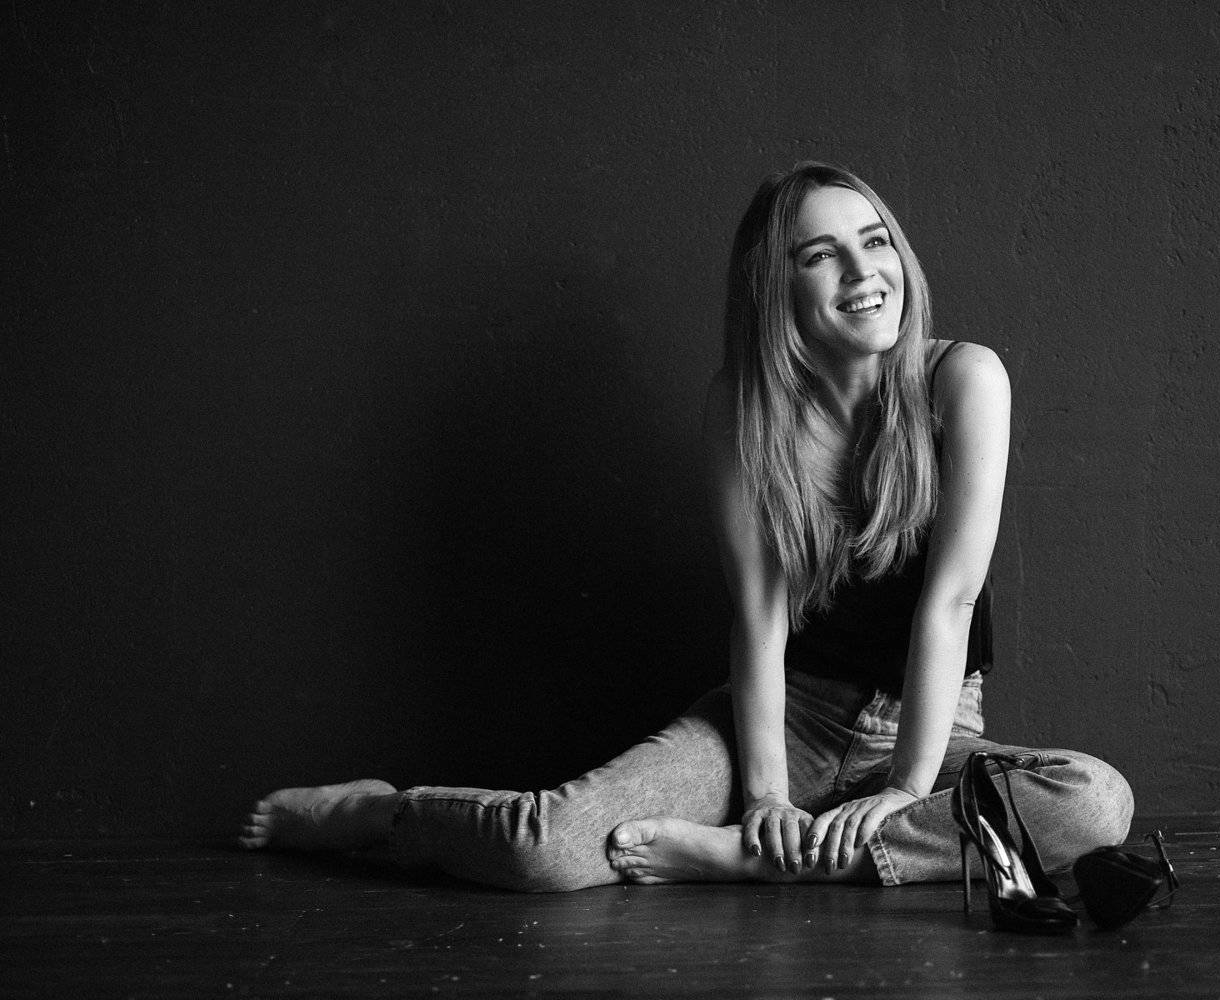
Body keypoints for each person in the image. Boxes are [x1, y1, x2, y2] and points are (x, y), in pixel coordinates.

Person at [239, 161, 1133, 893]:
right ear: (776, 288)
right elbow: (759, 620)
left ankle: (759, 868)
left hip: (930, 730)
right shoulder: (745, 411)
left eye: (875, 241)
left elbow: (950, 603)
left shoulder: (964, 380)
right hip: (784, 719)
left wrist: (904, 788)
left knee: (1092, 804)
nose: (864, 273)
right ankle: (378, 814)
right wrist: (767, 797)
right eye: (821, 255)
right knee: (546, 852)